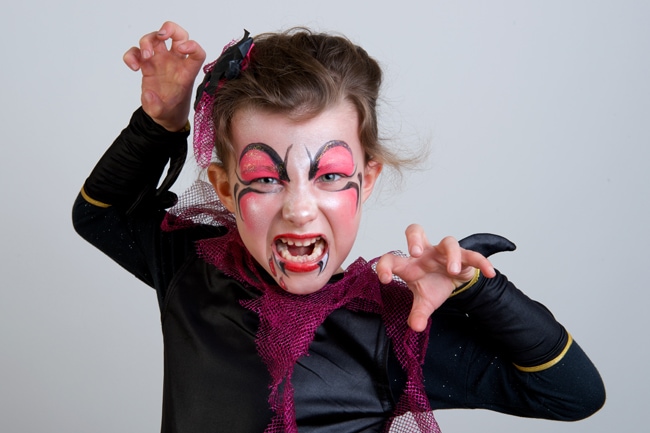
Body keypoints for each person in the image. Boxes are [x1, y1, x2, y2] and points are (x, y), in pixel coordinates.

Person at [72, 21, 605, 433]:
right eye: (264, 178)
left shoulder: (390, 332)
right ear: (225, 187)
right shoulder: (192, 266)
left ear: (366, 178)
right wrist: (160, 122)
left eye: (329, 175)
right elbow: (99, 214)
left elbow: (573, 393)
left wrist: (479, 292)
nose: (299, 209)